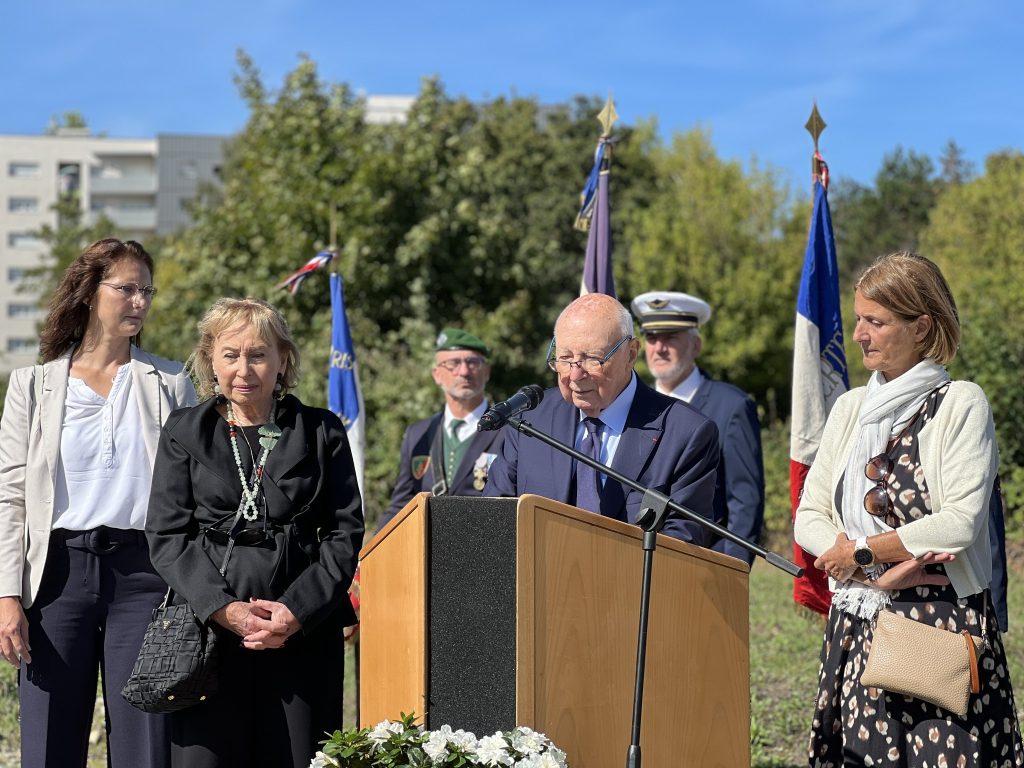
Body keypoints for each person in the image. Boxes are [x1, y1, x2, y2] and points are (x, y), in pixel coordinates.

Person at [794, 251, 1022, 766]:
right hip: (858, 620)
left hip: (935, 623)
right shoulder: (850, 407)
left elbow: (960, 522)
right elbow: (809, 513)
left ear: (921, 327)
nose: (859, 335)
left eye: (875, 322)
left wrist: (862, 551)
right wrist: (863, 560)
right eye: (858, 320)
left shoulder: (960, 403)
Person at [0, 238, 197, 768]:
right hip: (56, 575)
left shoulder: (173, 383)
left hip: (147, 575)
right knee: (47, 740)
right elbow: (11, 496)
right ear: (90, 292)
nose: (139, 301)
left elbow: (197, 491)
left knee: (146, 740)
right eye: (127, 288)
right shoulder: (32, 385)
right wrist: (6, 595)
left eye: (146, 291)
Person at [145, 298, 363, 768]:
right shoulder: (185, 430)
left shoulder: (322, 431)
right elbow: (167, 535)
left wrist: (295, 611)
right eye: (230, 354)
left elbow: (343, 532)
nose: (244, 369)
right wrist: (227, 611)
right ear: (210, 360)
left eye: (259, 354)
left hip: (301, 638)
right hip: (207, 638)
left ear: (283, 360)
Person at [484, 293, 719, 543]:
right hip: (534, 578)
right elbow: (493, 519)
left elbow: (683, 540)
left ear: (630, 354)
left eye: (592, 360)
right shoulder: (529, 420)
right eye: (564, 359)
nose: (574, 375)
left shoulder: (685, 433)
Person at [630, 290, 764, 564]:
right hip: (635, 559)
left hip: (703, 564)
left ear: (696, 346)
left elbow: (744, 504)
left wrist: (729, 573)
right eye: (652, 338)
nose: (659, 348)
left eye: (671, 338)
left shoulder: (731, 407)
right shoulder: (632, 404)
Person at [379, 328, 504, 529]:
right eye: (453, 363)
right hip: (426, 552)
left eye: (473, 362)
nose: (464, 371)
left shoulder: (509, 430)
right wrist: (370, 554)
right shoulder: (418, 434)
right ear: (437, 374)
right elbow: (402, 504)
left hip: (486, 548)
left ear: (487, 371)